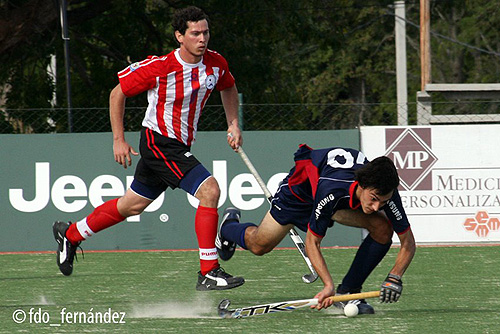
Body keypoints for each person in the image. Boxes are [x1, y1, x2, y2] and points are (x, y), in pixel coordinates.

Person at [52, 6, 245, 291]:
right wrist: (118, 139)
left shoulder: (216, 64)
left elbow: (228, 87)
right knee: (210, 190)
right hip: (159, 142)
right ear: (180, 36)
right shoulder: (160, 67)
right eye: (195, 33)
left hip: (178, 145)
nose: (202, 39)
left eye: (205, 32)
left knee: (132, 205)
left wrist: (233, 124)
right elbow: (117, 93)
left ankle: (70, 233)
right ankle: (209, 270)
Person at [216, 144, 416, 312]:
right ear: (362, 185)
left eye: (383, 202)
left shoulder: (385, 192)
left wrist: (395, 277)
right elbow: (313, 242)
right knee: (259, 245)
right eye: (373, 200)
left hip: (336, 198)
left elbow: (408, 242)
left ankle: (348, 292)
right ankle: (229, 227)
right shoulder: (332, 189)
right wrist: (327, 285)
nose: (376, 207)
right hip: (300, 193)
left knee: (382, 228)